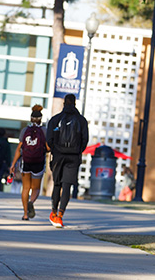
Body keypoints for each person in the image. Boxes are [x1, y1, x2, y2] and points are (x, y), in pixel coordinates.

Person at [46, 94, 88, 228]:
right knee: (67, 186)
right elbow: (84, 140)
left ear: (64, 103)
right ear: (75, 103)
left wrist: (55, 149)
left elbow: (49, 139)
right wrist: (77, 150)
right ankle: (60, 215)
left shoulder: (55, 119)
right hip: (73, 156)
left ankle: (53, 212)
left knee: (57, 184)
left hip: (58, 155)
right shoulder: (81, 120)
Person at [10, 105, 48, 220]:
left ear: (30, 118)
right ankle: (31, 201)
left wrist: (13, 164)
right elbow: (48, 147)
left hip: (26, 162)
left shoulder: (25, 130)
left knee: (25, 188)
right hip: (38, 163)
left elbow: (19, 148)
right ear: (41, 119)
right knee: (35, 188)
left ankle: (25, 214)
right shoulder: (44, 131)